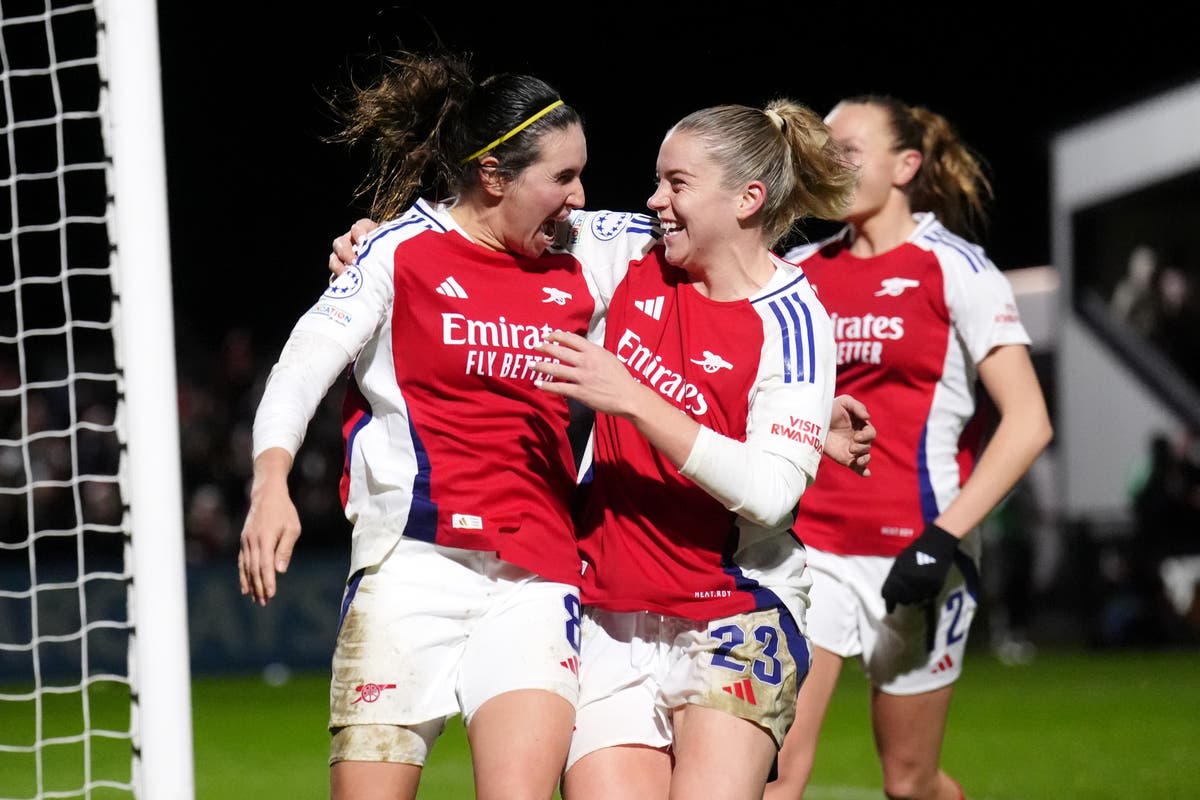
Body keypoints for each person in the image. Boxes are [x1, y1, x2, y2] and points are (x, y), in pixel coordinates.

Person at [329, 100, 874, 800]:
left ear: (747, 199)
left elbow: (771, 496)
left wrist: (635, 397)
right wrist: (376, 243)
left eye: (677, 184)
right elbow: (485, 225)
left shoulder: (795, 316)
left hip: (734, 610)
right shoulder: (632, 252)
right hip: (609, 613)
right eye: (657, 180)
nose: (655, 200)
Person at [238, 51, 597, 800]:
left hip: (534, 574)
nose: (579, 197)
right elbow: (302, 365)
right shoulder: (393, 252)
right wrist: (271, 482)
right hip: (409, 566)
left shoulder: (585, 250)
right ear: (493, 175)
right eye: (562, 177)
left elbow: (713, 251)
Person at [762, 95, 1053, 800]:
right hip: (810, 552)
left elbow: (1028, 422)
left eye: (850, 152)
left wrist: (944, 539)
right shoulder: (797, 269)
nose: (832, 165)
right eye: (825, 152)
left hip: (920, 549)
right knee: (772, 774)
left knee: (909, 781)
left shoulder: (956, 268)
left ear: (906, 166)